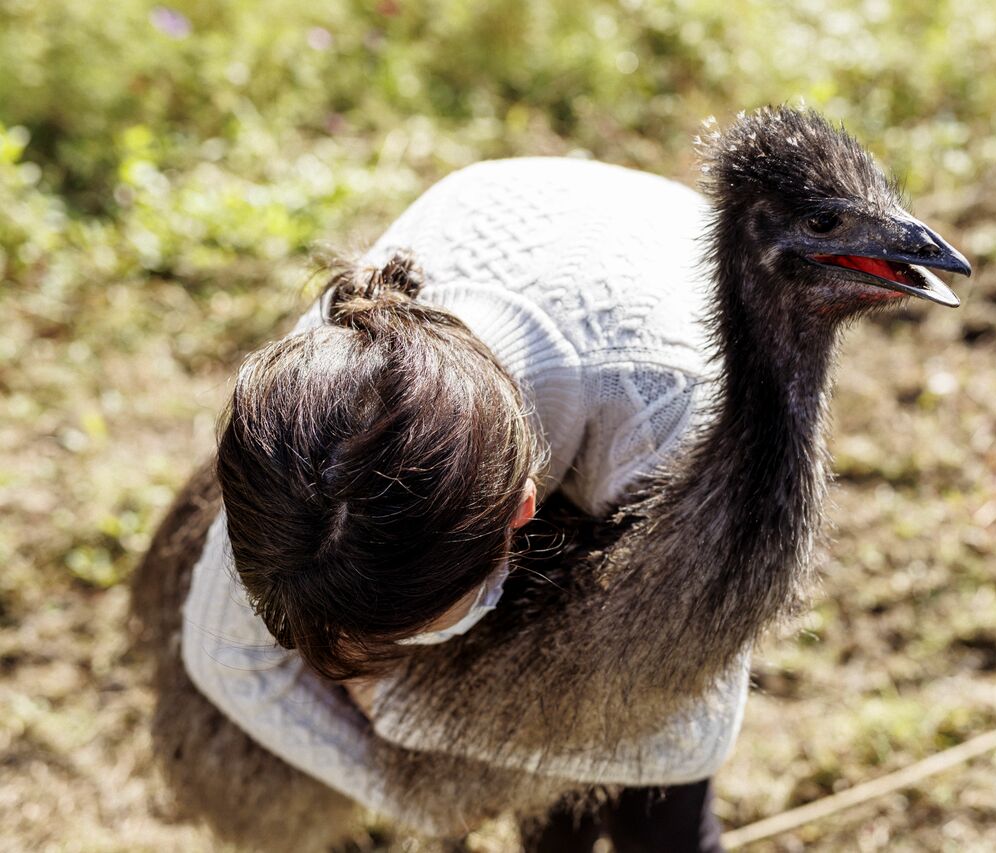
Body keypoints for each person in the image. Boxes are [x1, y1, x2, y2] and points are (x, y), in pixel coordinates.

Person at [181, 157, 741, 852]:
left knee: (661, 818)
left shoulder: (672, 422)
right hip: (521, 295)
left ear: (520, 513)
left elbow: (697, 730)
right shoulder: (313, 403)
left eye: (410, 633)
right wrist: (402, 793)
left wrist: (406, 712)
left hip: (663, 311)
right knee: (556, 823)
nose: (384, 661)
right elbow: (221, 653)